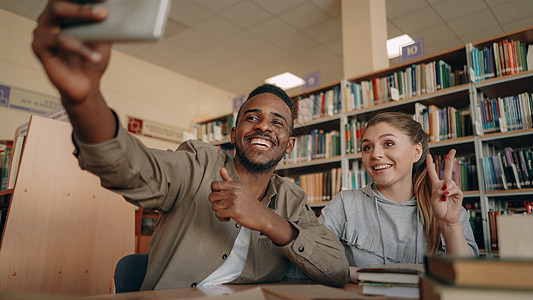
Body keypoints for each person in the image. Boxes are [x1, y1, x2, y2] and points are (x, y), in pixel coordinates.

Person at [32, 0, 349, 289]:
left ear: (289, 145)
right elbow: (130, 169)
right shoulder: (198, 163)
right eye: (253, 118)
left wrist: (265, 220)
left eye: (277, 122)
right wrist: (84, 99)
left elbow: (336, 269)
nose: (264, 125)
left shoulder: (291, 199)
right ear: (234, 131)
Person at [319, 112, 479, 282]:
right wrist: (351, 273)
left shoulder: (445, 205)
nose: (375, 154)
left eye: (388, 143)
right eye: (368, 147)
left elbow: (467, 280)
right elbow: (312, 259)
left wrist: (450, 224)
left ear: (416, 152)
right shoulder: (345, 204)